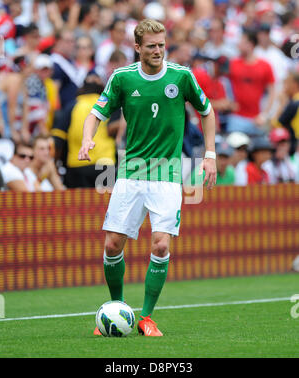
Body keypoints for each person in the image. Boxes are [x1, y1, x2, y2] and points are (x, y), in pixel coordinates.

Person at [78, 19, 217, 337]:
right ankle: (117, 308)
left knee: (160, 245)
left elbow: (207, 112)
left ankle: (147, 317)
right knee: (113, 244)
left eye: (161, 44)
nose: (158, 50)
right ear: (137, 47)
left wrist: (209, 155)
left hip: (167, 173)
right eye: (151, 46)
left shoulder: (181, 76)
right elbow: (95, 114)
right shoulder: (122, 78)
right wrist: (88, 139)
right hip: (131, 171)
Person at [52, 74, 116, 189]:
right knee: (106, 205)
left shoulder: (72, 106)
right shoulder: (109, 104)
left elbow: (58, 139)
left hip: (78, 165)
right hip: (106, 164)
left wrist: (54, 165)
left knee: (80, 206)